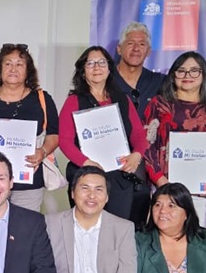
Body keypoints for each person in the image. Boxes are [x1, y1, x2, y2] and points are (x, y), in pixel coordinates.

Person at [0, 44, 60, 212]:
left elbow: (54, 134)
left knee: (25, 225)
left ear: (28, 70)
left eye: (19, 64)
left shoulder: (42, 99)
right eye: (8, 64)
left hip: (28, 180)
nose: (13, 69)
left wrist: (42, 152)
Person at [58, 46, 149, 225]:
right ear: (83, 71)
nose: (96, 67)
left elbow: (139, 134)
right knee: (87, 228)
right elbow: (65, 141)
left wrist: (137, 155)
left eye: (101, 62)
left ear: (109, 68)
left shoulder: (123, 99)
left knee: (116, 229)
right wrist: (87, 163)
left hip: (119, 175)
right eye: (90, 63)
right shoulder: (74, 101)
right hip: (86, 175)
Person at [143, 51, 206, 224]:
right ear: (173, 75)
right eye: (181, 71)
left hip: (201, 188)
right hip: (164, 184)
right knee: (162, 233)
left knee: (195, 234)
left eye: (194, 71)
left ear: (204, 75)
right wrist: (160, 180)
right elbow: (147, 144)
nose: (187, 75)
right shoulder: (159, 104)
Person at [114, 22, 167, 118]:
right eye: (130, 43)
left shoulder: (159, 82)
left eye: (142, 44)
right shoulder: (105, 80)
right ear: (119, 49)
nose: (136, 49)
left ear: (148, 51)